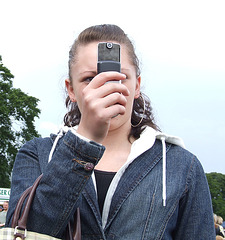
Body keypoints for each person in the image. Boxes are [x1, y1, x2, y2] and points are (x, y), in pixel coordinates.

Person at [6, 24, 215, 239]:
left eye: (119, 78)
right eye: (89, 79)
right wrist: (85, 141)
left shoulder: (181, 165)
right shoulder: (36, 153)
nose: (107, 89)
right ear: (71, 90)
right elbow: (25, 232)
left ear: (137, 86)